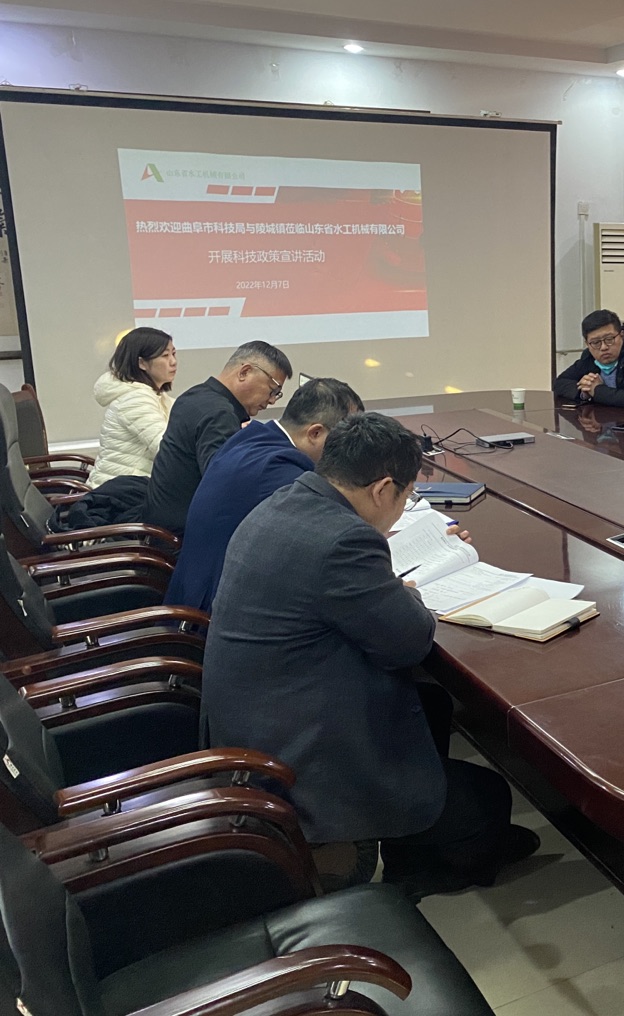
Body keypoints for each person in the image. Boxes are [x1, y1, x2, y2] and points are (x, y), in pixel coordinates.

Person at [201, 412, 537, 898]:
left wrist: (386, 583)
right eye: (406, 496)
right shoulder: (343, 539)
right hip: (298, 760)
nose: (402, 509)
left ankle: (410, 838)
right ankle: (409, 862)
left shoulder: (287, 501)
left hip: (254, 725)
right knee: (488, 799)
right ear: (382, 489)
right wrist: (406, 593)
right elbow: (409, 640)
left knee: (431, 704)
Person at [165, 377, 363, 613]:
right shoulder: (282, 473)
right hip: (208, 616)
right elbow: (332, 542)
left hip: (191, 592)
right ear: (315, 433)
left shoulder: (252, 437)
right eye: (343, 441)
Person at [141, 340, 291, 536]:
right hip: (185, 538)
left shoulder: (195, 395)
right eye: (273, 390)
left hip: (164, 526)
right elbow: (225, 485)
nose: (272, 400)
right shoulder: (219, 414)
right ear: (244, 372)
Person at [87, 327, 177, 488]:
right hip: (119, 496)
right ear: (141, 363)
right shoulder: (135, 399)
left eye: (174, 354)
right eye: (165, 355)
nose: (173, 362)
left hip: (133, 488)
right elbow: (166, 447)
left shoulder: (156, 396)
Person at [553, 309, 624, 409]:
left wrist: (597, 391)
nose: (603, 347)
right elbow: (560, 383)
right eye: (596, 342)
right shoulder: (589, 357)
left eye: (609, 339)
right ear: (587, 344)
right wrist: (584, 392)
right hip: (605, 419)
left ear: (621, 335)